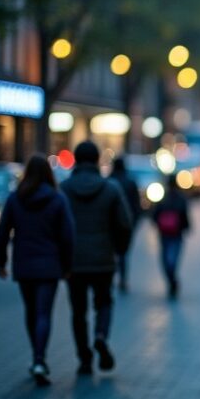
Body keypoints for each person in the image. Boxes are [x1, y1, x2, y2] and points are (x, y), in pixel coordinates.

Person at [0, 154, 75, 387]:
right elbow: (68, 236)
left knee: (31, 312)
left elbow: (2, 233)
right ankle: (40, 359)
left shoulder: (15, 199)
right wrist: (67, 266)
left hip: (24, 264)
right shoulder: (58, 199)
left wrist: (1, 262)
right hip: (49, 266)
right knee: (43, 314)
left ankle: (35, 356)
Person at [60, 141, 133, 374]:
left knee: (78, 311)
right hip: (103, 258)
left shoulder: (64, 189)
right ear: (97, 159)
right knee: (104, 302)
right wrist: (119, 250)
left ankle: (84, 358)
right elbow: (125, 224)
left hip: (74, 261)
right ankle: (100, 335)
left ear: (76, 159)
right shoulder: (110, 189)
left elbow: (56, 225)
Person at [151, 174, 190, 300]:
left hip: (165, 234)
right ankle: (172, 281)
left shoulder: (163, 198)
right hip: (175, 234)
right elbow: (185, 215)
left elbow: (155, 215)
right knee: (172, 259)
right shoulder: (181, 198)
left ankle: (171, 280)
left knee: (166, 259)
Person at [108, 157, 142, 292]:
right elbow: (136, 204)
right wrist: (135, 221)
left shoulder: (109, 181)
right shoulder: (130, 182)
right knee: (123, 253)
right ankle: (122, 278)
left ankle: (112, 277)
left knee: (112, 252)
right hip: (126, 223)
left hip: (111, 224)